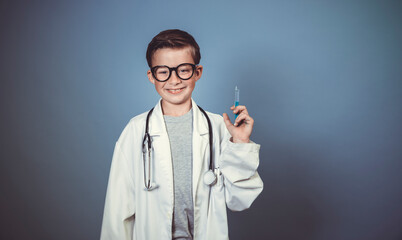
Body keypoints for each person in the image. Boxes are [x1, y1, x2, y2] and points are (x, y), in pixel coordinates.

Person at [100, 29, 263, 240]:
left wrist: (240, 143)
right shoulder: (136, 130)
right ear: (151, 76)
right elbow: (117, 213)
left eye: (183, 70)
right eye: (163, 71)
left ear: (197, 72)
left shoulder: (220, 128)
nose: (174, 80)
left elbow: (240, 200)